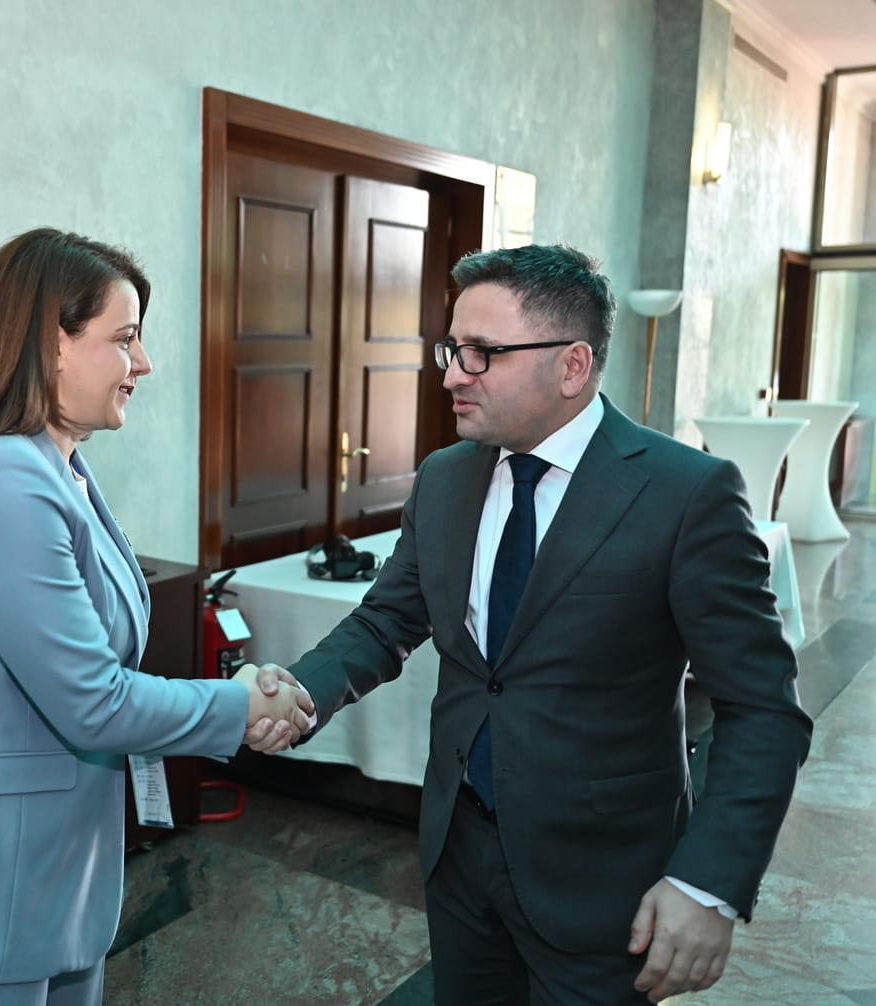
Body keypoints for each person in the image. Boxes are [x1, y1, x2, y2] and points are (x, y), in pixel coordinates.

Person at [255, 244, 812, 1005]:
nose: (452, 375)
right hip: (457, 852)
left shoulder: (685, 494)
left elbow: (763, 710)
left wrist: (707, 883)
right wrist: (301, 691)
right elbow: (388, 619)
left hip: (604, 879)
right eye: (453, 348)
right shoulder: (445, 477)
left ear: (572, 366)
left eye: (482, 353)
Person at [0, 227, 316, 1005]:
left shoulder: (59, 466)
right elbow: (93, 698)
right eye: (125, 339)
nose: (144, 363)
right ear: (50, 344)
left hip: (51, 872)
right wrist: (240, 706)